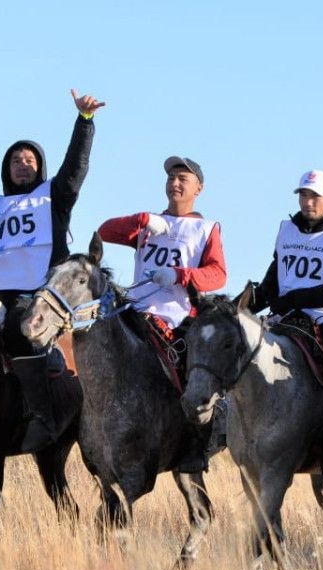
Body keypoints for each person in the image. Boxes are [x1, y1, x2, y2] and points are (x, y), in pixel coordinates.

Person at [0, 89, 105, 454]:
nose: (22, 163)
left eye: (29, 159)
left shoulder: (54, 198)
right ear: (6, 168)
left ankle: (41, 415)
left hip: (34, 292)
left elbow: (75, 168)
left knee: (20, 328)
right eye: (15, 159)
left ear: (39, 166)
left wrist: (85, 122)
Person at [97, 156, 228, 471]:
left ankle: (200, 439)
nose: (175, 183)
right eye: (171, 177)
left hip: (177, 316)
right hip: (135, 310)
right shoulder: (149, 224)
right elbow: (104, 231)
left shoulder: (205, 228)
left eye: (183, 178)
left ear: (199, 188)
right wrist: (141, 219)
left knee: (195, 373)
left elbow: (218, 274)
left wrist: (181, 275)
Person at [247, 170, 323, 483]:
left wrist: (295, 298)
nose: (308, 202)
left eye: (314, 196)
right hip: (283, 318)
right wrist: (237, 307)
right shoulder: (287, 231)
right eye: (303, 195)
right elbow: (272, 282)